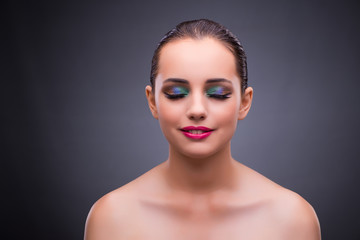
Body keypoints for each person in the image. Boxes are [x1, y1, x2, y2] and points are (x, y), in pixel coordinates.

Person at [84, 19, 321, 240]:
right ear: (153, 101)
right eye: (176, 94)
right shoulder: (111, 218)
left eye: (218, 94)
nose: (197, 110)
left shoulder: (291, 219)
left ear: (244, 102)